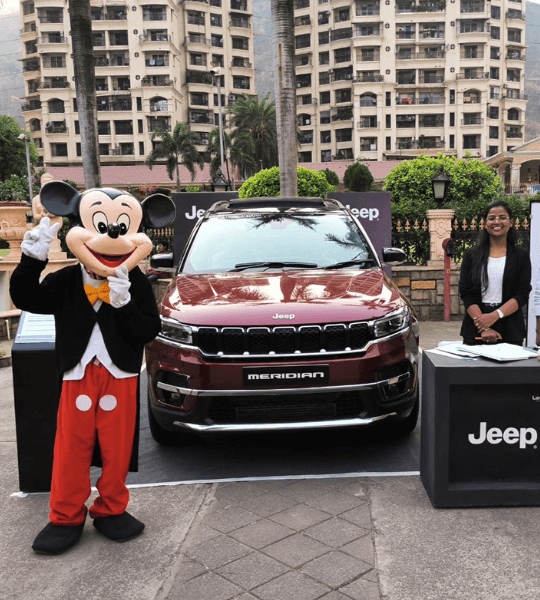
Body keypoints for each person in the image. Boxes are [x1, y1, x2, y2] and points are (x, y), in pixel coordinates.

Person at [459, 199, 531, 346]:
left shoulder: (521, 256)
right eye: (492, 218)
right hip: (476, 325)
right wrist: (484, 326)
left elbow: (522, 293)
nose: (497, 222)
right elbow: (465, 292)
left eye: (502, 218)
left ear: (511, 222)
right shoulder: (471, 255)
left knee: (509, 369)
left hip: (510, 325)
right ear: (485, 224)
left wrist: (495, 315)